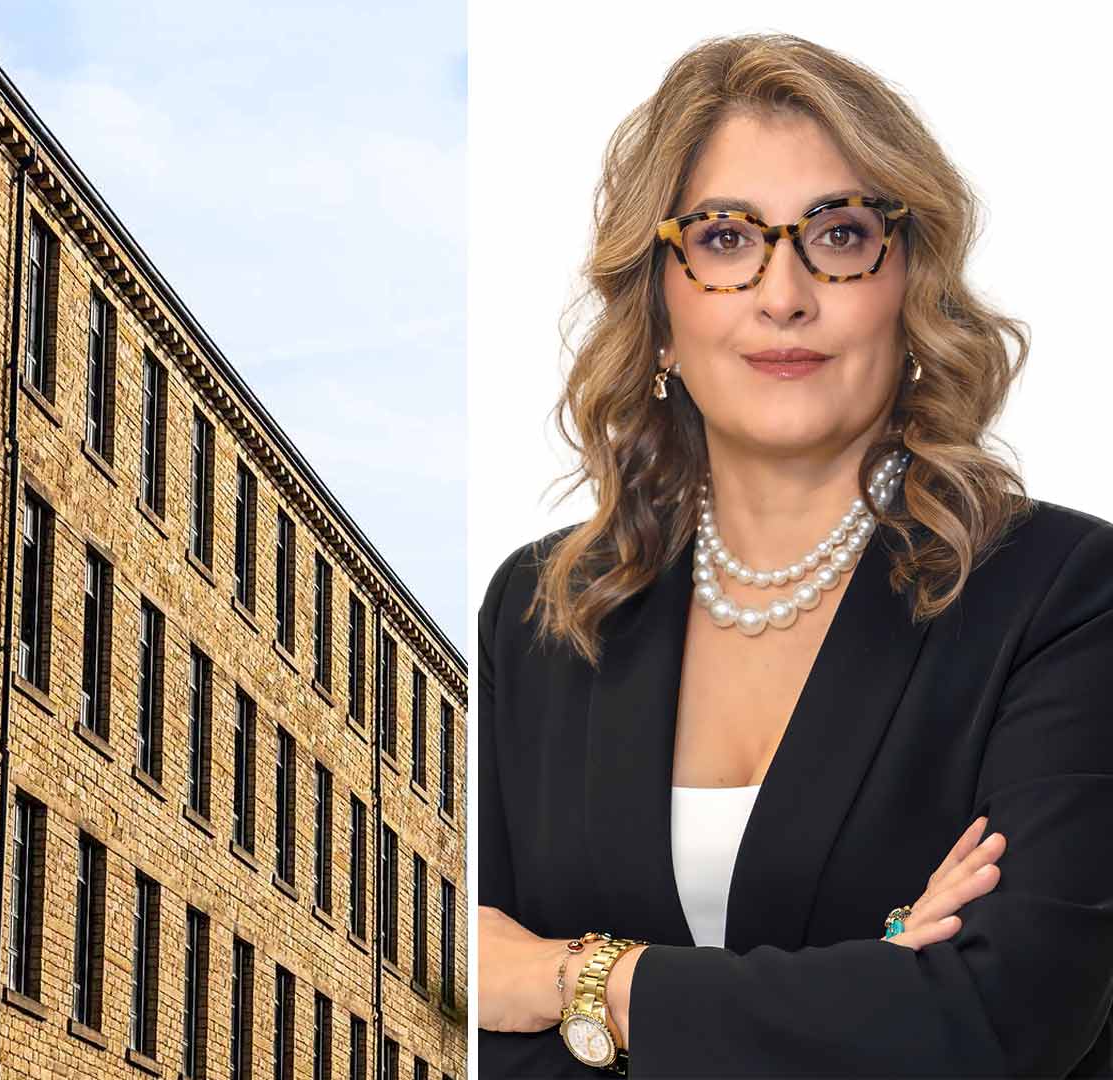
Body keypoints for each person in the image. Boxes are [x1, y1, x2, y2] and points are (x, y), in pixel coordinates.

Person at [475, 33, 1113, 1078]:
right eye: (725, 239)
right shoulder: (540, 615)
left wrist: (578, 982)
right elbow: (461, 1024)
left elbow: (999, 1023)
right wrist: (867, 989)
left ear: (910, 286)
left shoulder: (1065, 595)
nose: (784, 294)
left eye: (841, 234)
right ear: (659, 311)